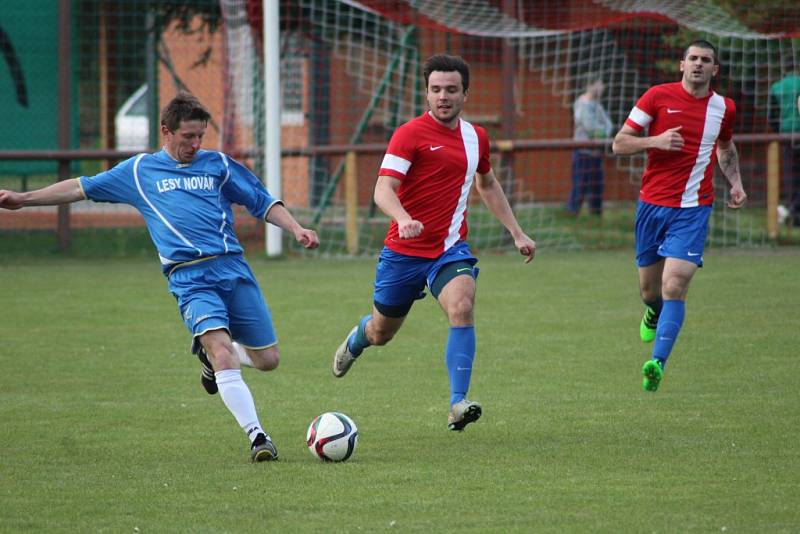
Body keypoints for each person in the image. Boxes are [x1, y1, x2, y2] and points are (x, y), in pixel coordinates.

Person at [0, 93, 320, 461]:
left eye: (200, 136)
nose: (196, 144)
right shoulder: (140, 171)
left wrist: (296, 229)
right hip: (190, 277)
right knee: (221, 349)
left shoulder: (218, 164)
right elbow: (80, 186)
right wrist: (23, 199)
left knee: (269, 360)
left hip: (233, 269)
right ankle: (258, 437)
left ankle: (212, 358)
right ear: (166, 132)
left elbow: (262, 201)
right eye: (188, 137)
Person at [330, 54, 536, 431]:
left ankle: (458, 404)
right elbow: (383, 188)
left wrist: (516, 231)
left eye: (452, 90)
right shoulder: (409, 134)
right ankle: (359, 338)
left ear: (465, 94)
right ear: (426, 93)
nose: (444, 96)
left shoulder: (477, 138)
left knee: (462, 305)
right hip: (403, 253)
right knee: (382, 332)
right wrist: (404, 218)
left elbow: (487, 184)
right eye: (436, 89)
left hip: (448, 249)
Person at [611, 40, 747, 392]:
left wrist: (735, 183)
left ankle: (656, 362)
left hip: (694, 209)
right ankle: (652, 311)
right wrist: (654, 142)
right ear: (682, 65)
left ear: (715, 69)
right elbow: (620, 142)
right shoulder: (656, 97)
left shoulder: (723, 108)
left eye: (706, 60)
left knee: (675, 284)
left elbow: (725, 146)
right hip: (652, 206)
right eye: (693, 59)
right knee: (649, 290)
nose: (699, 64)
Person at [568, 76, 613, 216]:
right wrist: (602, 133)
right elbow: (589, 127)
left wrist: (604, 132)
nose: (602, 88)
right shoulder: (582, 104)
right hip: (583, 151)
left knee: (597, 185)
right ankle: (573, 212)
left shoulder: (598, 105)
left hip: (596, 152)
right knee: (580, 184)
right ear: (589, 85)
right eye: (599, 84)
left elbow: (609, 124)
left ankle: (596, 214)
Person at [768, 63, 800, 226]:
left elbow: (771, 115)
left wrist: (779, 129)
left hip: (787, 134)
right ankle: (794, 211)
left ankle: (793, 212)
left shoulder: (776, 87)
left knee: (791, 175)